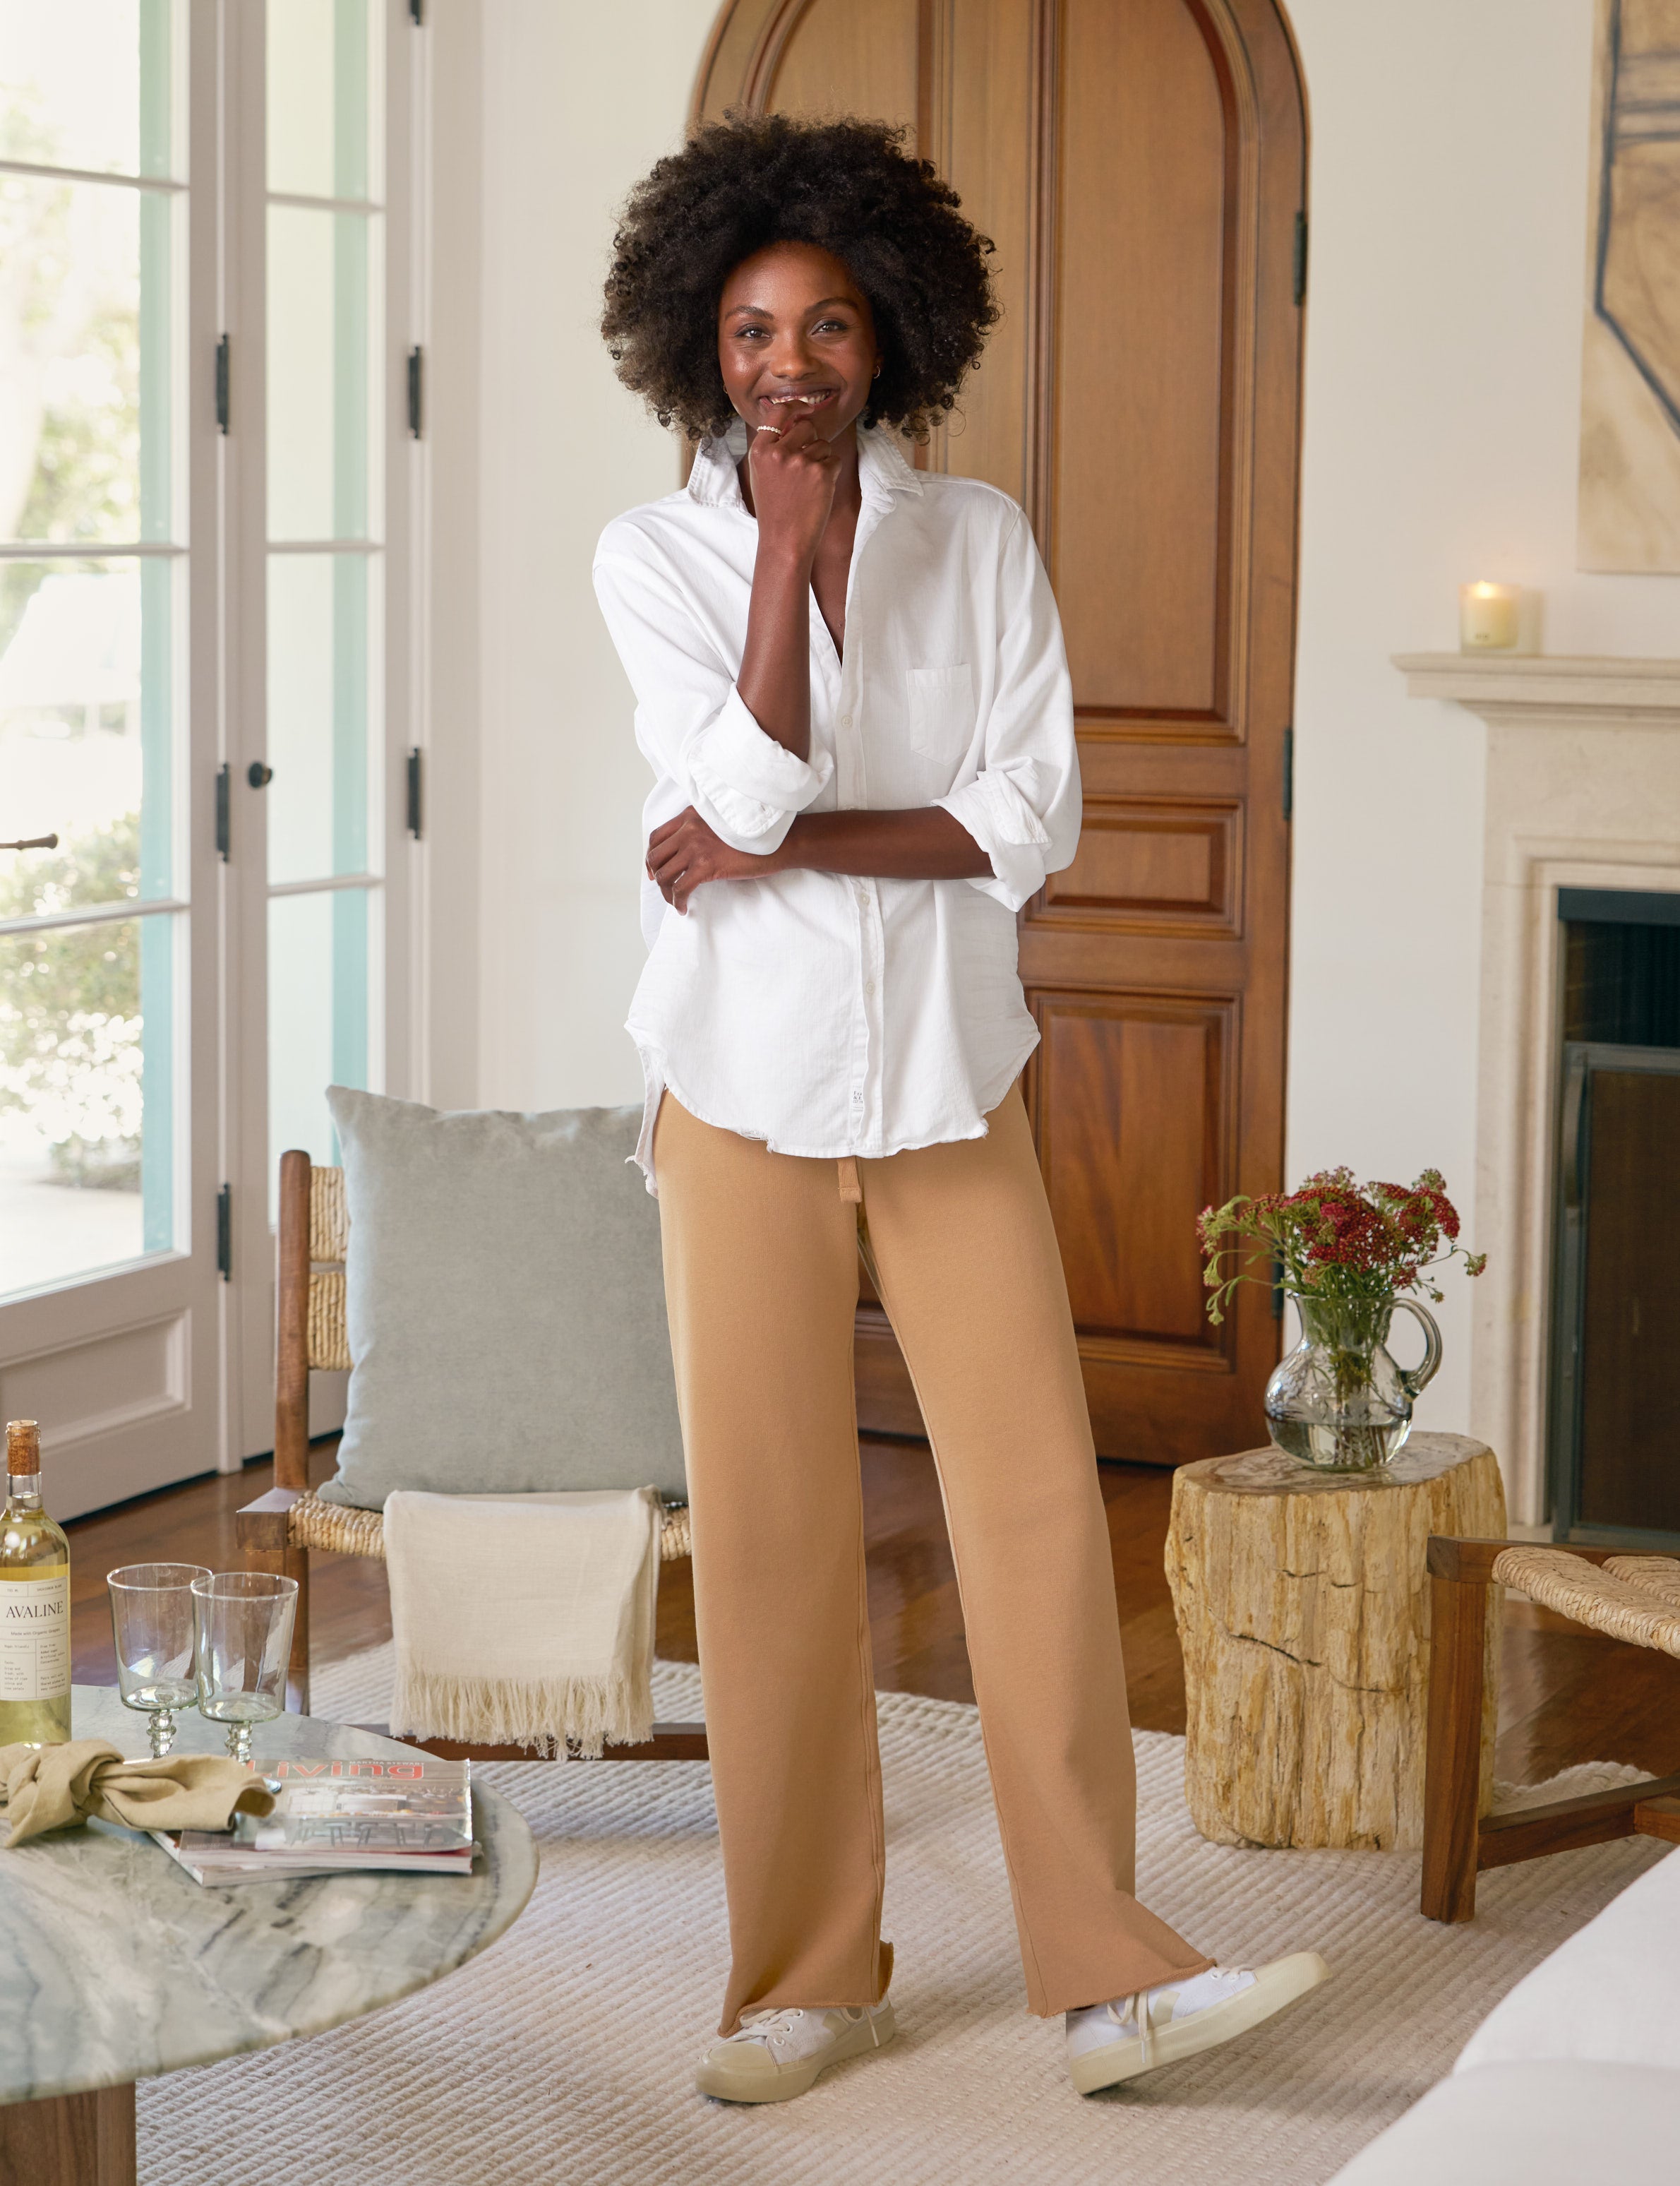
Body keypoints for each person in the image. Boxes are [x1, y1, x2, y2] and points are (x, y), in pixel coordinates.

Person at [594, 112, 1326, 2106]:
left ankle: (1102, 1973)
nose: (790, 361)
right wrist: (779, 564)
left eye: (828, 324)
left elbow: (1028, 830)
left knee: (1028, 1518)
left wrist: (772, 840)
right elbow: (725, 805)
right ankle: (801, 1979)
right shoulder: (650, 557)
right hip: (736, 1094)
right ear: (698, 343)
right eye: (750, 327)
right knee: (764, 1533)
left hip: (944, 1080)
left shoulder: (981, 536)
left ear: (888, 335)